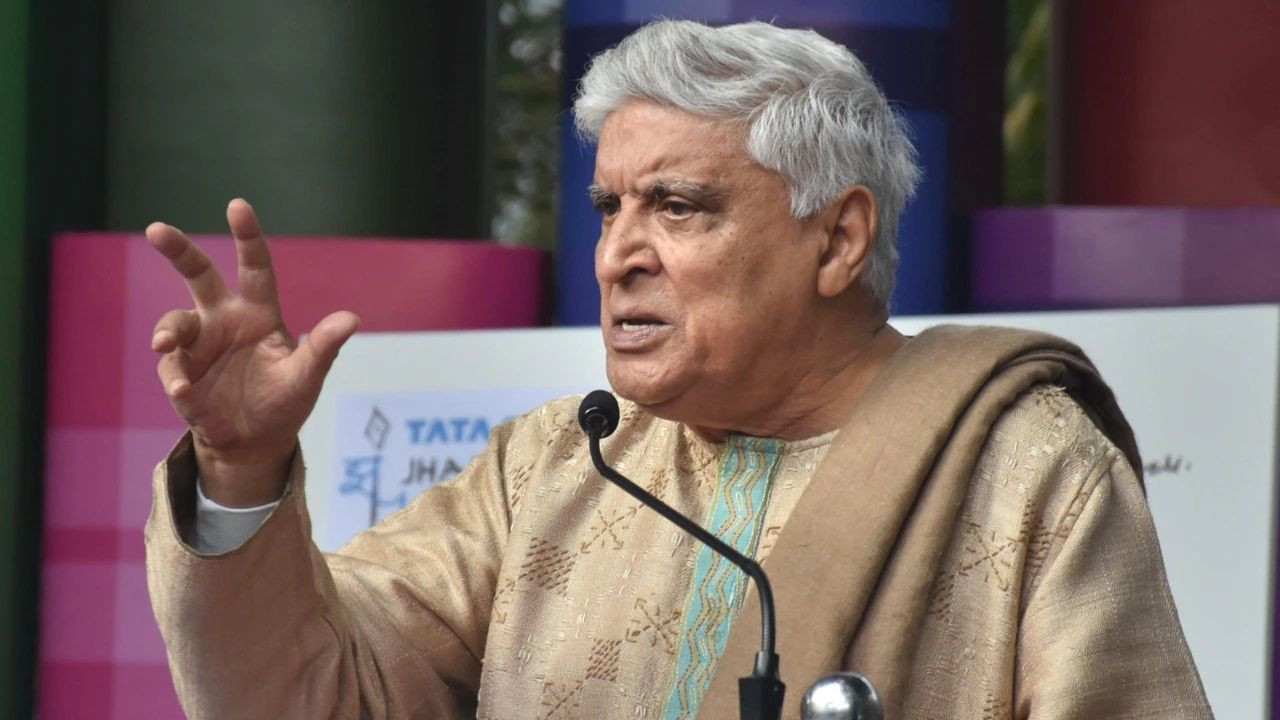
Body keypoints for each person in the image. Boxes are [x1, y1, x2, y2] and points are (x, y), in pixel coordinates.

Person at [144, 20, 1212, 720]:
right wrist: (241, 470)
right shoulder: (555, 464)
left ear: (838, 240)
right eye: (609, 207)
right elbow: (316, 696)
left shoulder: (1030, 471)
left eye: (677, 206)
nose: (617, 252)